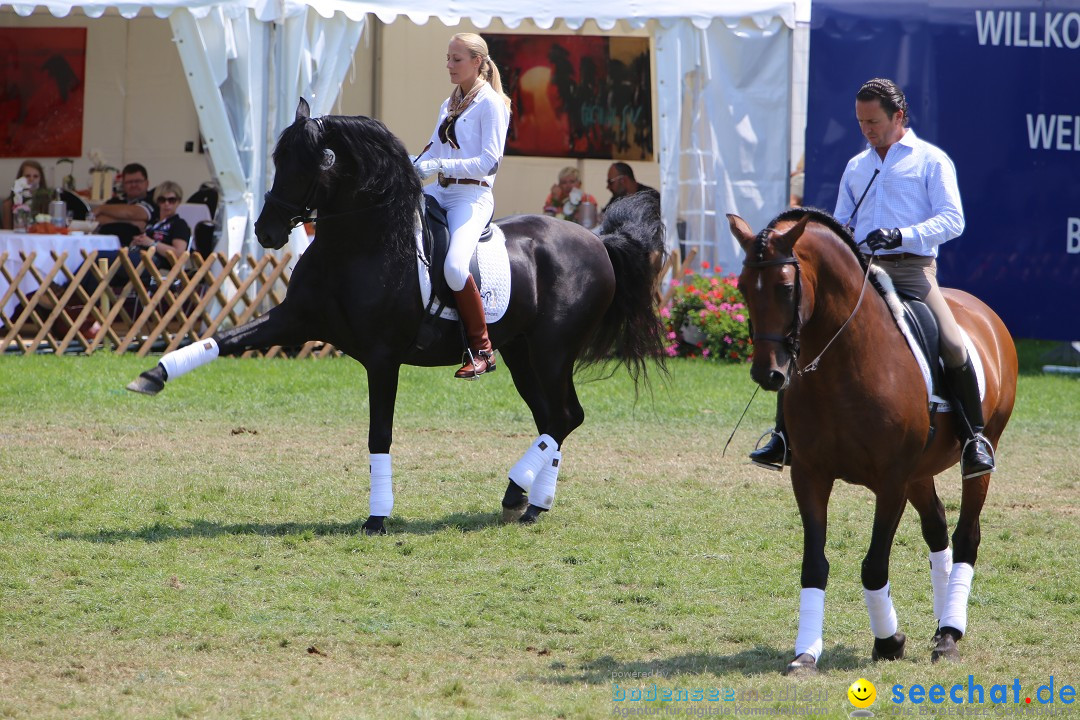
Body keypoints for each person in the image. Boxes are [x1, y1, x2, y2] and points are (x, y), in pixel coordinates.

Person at [750, 77, 994, 479]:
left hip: (912, 269)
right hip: (861, 270)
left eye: (874, 122)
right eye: (861, 122)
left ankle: (973, 439)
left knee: (951, 340)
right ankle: (783, 436)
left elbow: (953, 220)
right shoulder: (857, 166)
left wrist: (902, 234)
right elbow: (842, 220)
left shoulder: (930, 160)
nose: (866, 130)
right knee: (805, 330)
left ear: (899, 116)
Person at [412, 32, 511, 380]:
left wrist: (440, 167)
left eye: (456, 59)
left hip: (471, 197)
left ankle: (482, 348)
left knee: (455, 267)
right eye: (448, 58)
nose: (449, 65)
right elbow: (434, 150)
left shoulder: (492, 104)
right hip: (439, 193)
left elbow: (489, 162)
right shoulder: (450, 102)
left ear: (478, 62)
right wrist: (410, 165)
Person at [131, 181, 191, 277]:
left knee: (107, 259)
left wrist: (152, 243)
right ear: (157, 201)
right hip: (140, 259)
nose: (166, 204)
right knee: (104, 261)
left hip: (156, 264)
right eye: (162, 200)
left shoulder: (179, 224)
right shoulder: (153, 223)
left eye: (171, 200)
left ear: (178, 202)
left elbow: (179, 254)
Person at [94, 163, 158, 247]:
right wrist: (132, 222)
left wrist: (102, 209)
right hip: (107, 246)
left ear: (147, 183)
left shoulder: (154, 199)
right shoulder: (114, 201)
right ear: (123, 185)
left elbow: (134, 213)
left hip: (138, 250)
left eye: (138, 181)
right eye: (129, 182)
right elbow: (97, 219)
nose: (133, 185)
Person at [2, 160, 50, 229]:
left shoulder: (48, 203)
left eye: (35, 176)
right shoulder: (8, 204)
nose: (31, 179)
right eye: (27, 176)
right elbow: (7, 233)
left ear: (41, 179)